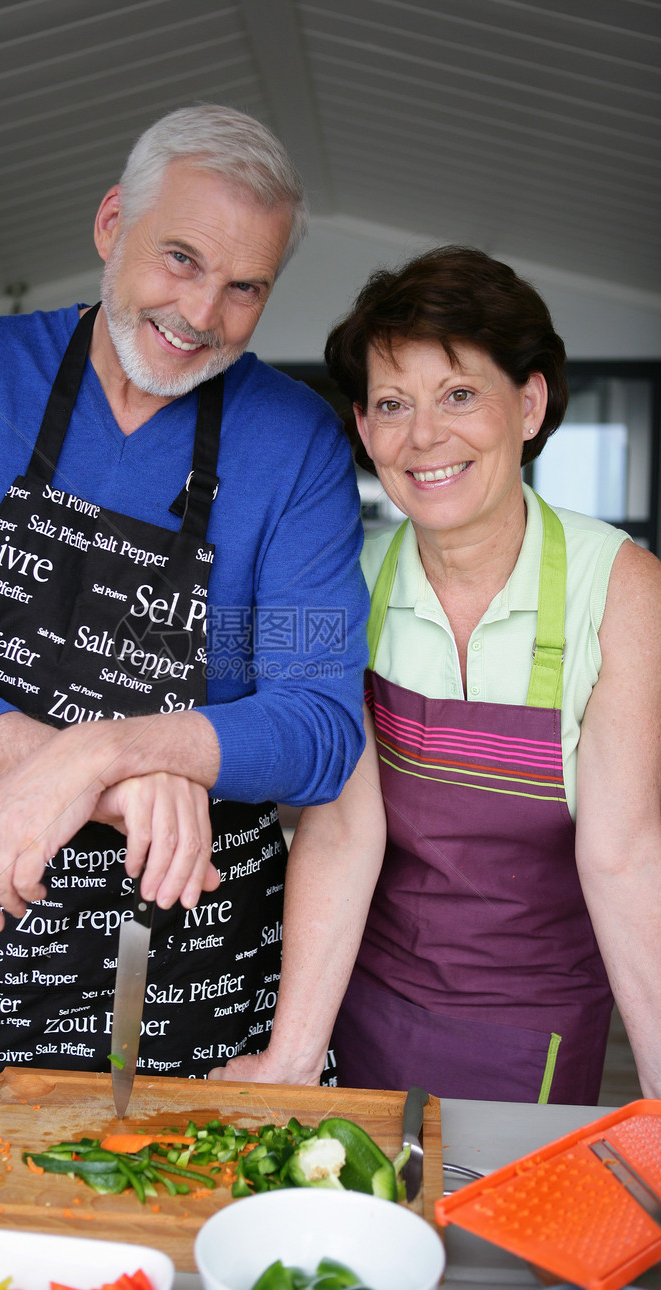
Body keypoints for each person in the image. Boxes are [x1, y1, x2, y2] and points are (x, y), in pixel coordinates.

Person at [0, 105, 369, 1075]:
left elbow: (317, 725)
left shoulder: (292, 440)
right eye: (179, 259)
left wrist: (109, 749)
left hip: (203, 949)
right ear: (109, 224)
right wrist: (112, 784)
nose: (202, 314)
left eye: (243, 286)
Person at [217, 246, 661, 1104]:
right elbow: (339, 832)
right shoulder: (338, 580)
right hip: (358, 997)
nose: (424, 437)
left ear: (529, 403)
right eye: (393, 404)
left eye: (459, 395)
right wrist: (292, 1055)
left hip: (533, 1022)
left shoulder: (626, 587)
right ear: (362, 427)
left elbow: (623, 857)